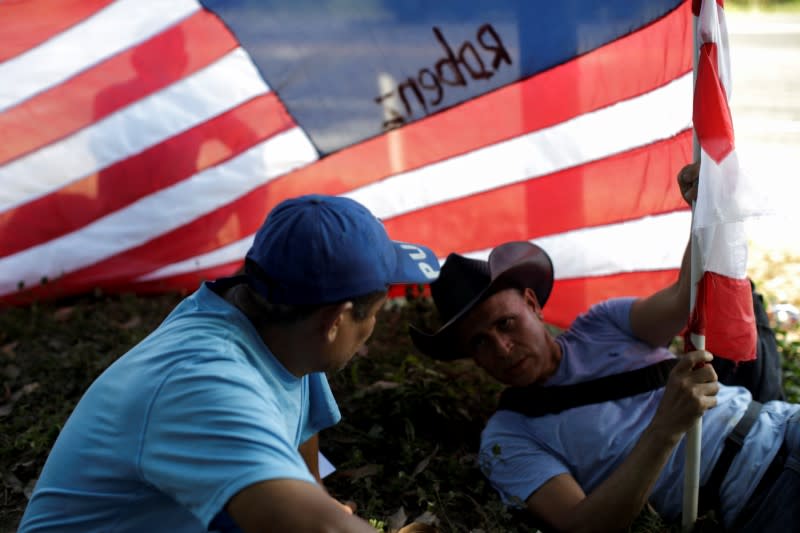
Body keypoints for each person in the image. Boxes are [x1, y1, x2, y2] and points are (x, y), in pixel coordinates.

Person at [409, 162, 800, 532]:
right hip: (757, 499)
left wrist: (705, 204)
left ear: (531, 303)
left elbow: (687, 297)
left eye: (505, 323)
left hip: (783, 424)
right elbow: (584, 525)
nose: (503, 348)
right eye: (479, 342)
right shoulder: (508, 438)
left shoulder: (603, 323)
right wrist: (665, 427)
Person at [19, 194, 440, 533]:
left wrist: (312, 495)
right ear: (335, 320)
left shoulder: (281, 328)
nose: (373, 327)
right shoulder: (202, 379)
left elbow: (299, 436)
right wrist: (312, 513)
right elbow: (319, 527)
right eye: (373, 313)